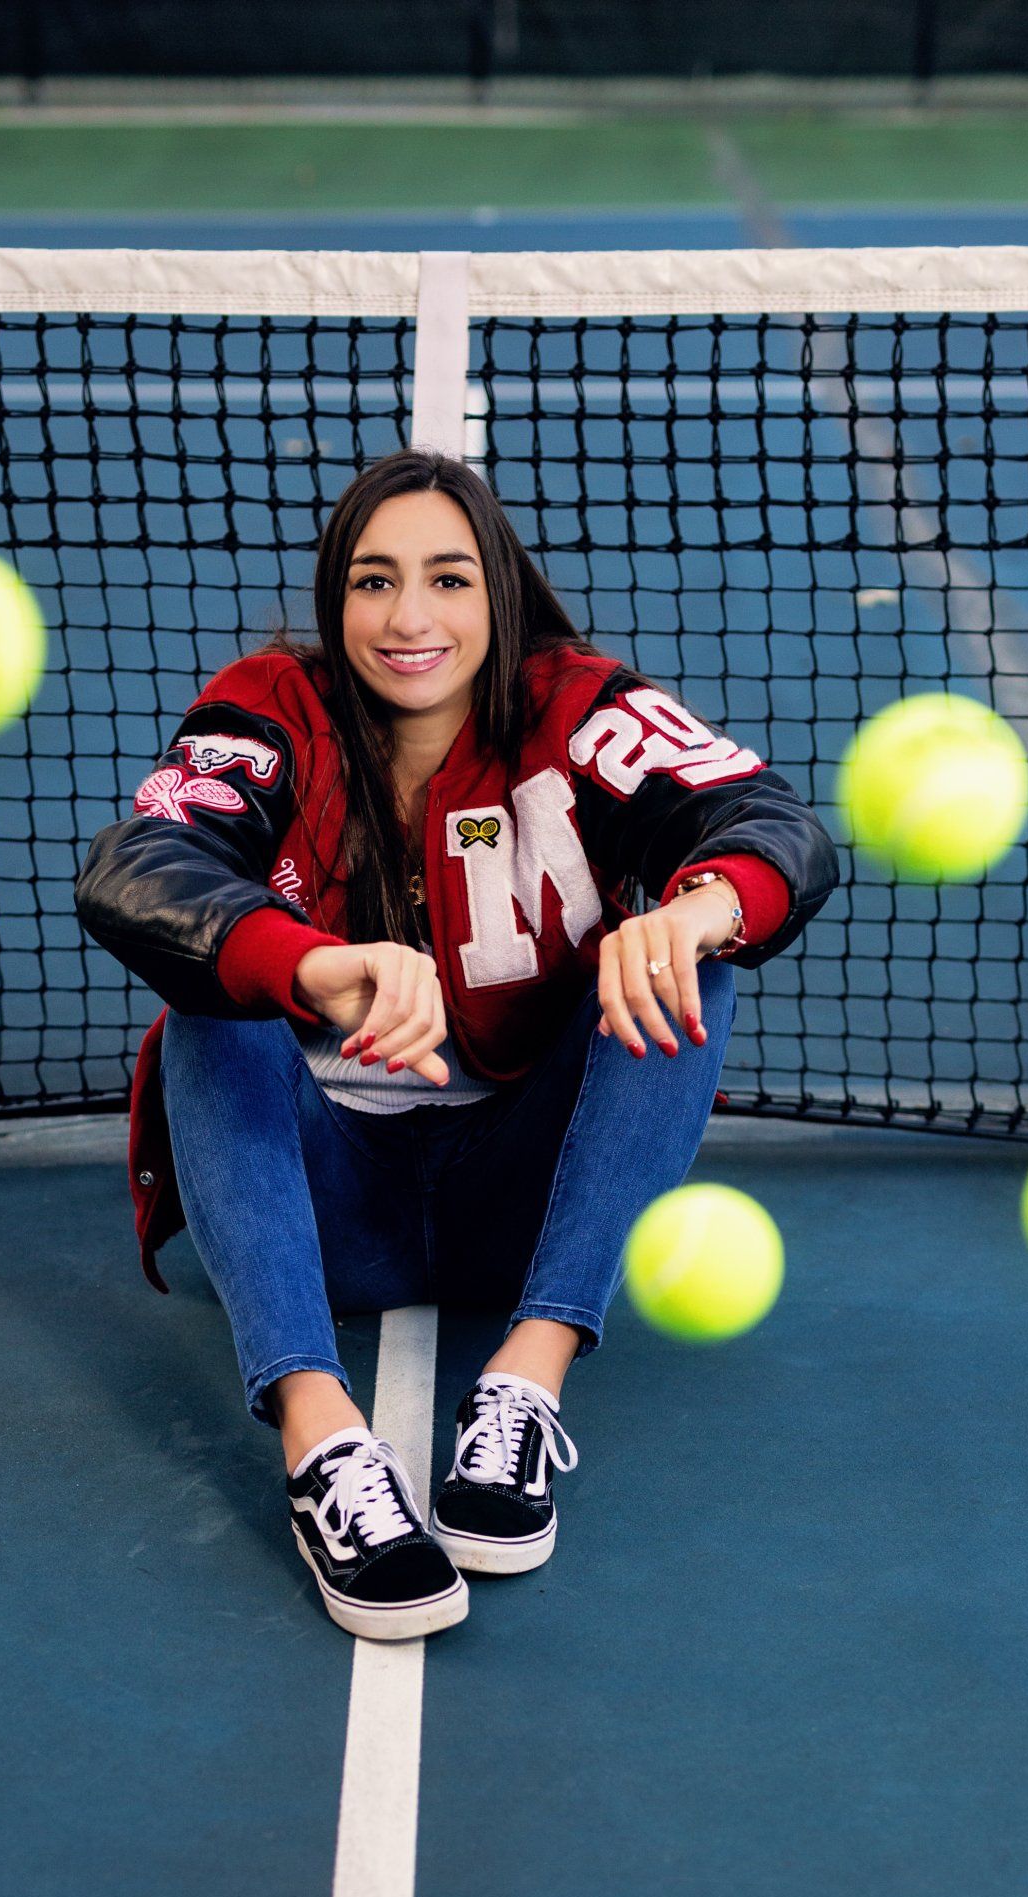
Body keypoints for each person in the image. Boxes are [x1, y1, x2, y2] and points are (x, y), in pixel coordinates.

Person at [77, 449, 838, 1641]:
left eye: (449, 579)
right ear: (337, 601)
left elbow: (768, 821)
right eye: (375, 582)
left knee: (687, 954)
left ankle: (525, 1386)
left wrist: (695, 910)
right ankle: (321, 1441)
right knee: (206, 1000)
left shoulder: (580, 712)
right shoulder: (268, 713)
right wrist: (313, 966)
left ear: (500, 597)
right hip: (322, 1216)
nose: (411, 618)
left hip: (518, 1204)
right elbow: (138, 865)